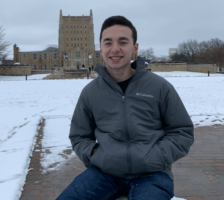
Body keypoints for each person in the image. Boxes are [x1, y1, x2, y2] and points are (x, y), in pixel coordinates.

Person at [57, 16, 194, 200]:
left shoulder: (160, 87)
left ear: (135, 48)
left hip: (152, 174)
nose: (115, 49)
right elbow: (79, 136)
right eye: (108, 42)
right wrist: (96, 155)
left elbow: (182, 131)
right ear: (101, 48)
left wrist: (157, 156)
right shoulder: (90, 92)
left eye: (123, 42)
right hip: (104, 173)